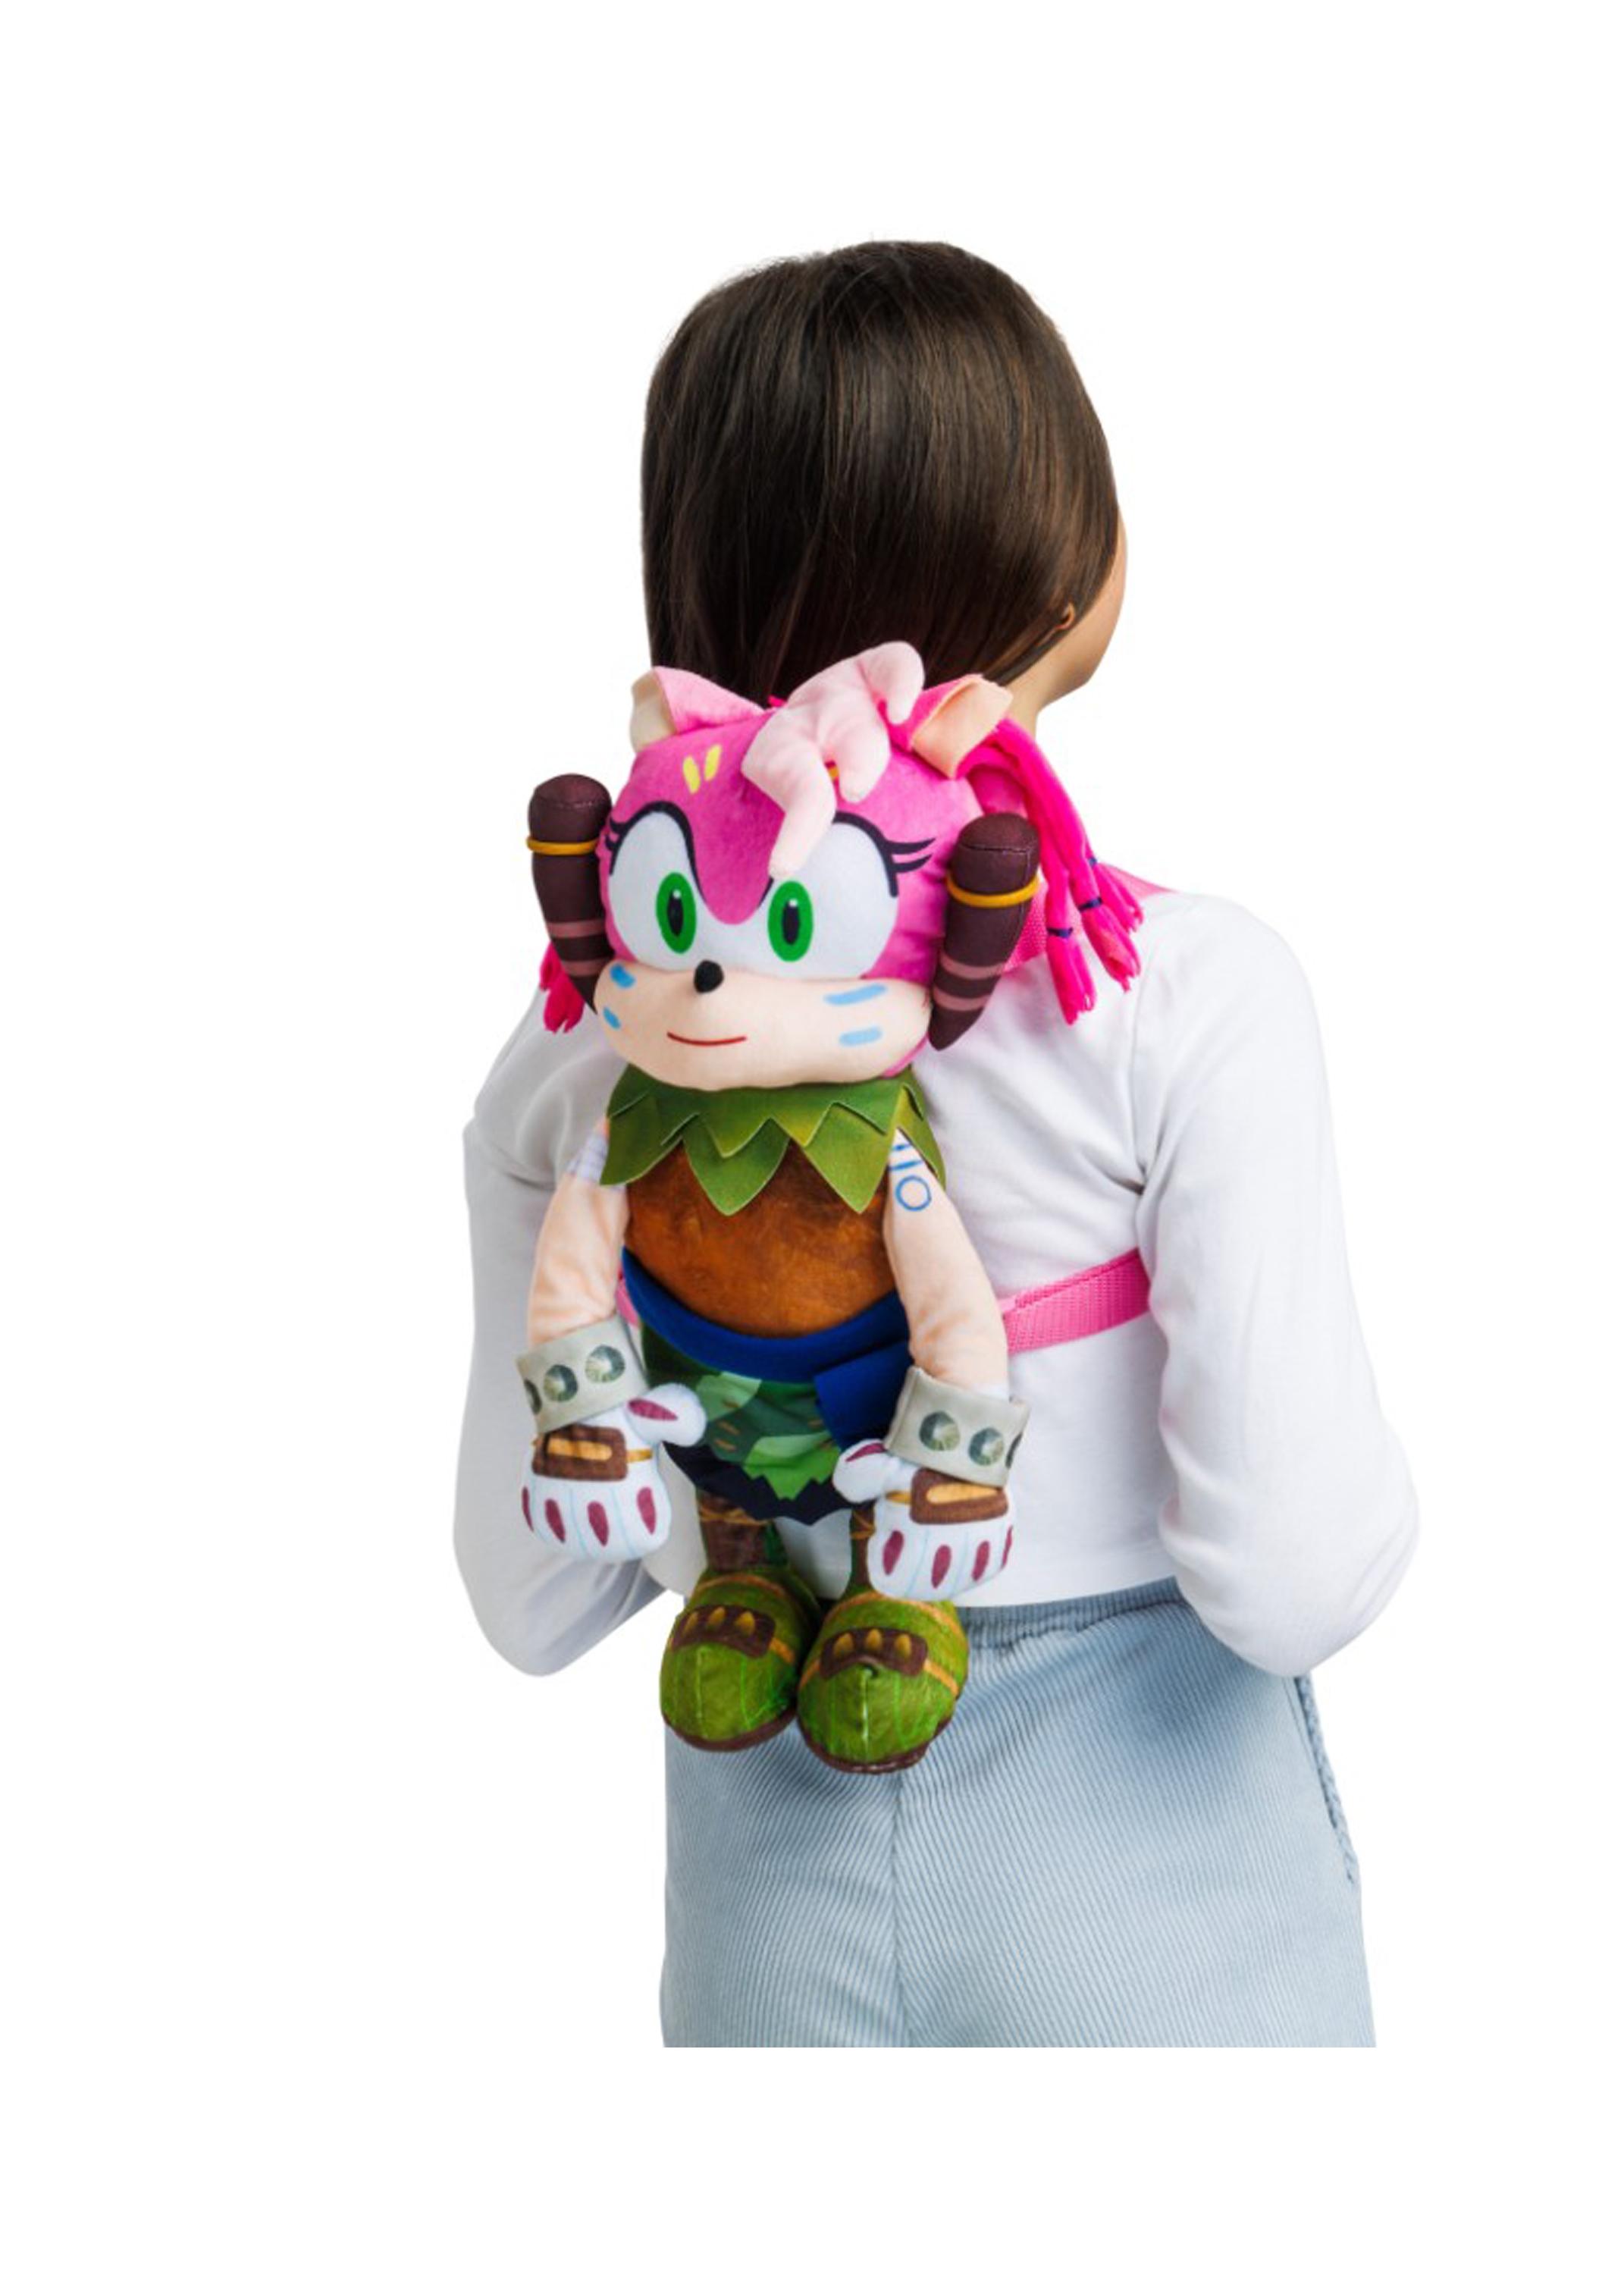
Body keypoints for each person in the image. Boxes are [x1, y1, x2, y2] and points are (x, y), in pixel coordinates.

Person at [455, 240, 1418, 2045]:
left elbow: (533, 1597)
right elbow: (1296, 1572)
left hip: (759, 1907)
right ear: (1076, 578)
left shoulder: (592, 1040)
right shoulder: (1175, 989)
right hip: (1151, 1896)